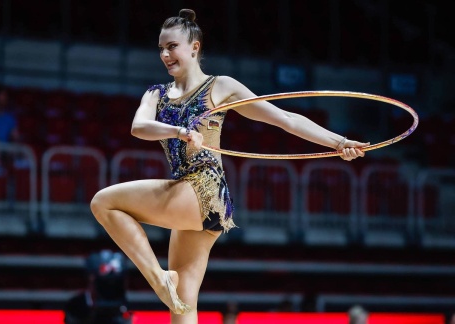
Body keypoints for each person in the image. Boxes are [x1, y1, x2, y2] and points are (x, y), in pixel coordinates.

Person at [90, 9, 368, 322]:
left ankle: (158, 277)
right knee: (182, 305)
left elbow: (286, 119)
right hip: (198, 204)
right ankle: (165, 282)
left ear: (194, 47)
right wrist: (180, 132)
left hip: (203, 191)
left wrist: (338, 142)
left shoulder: (220, 87)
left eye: (172, 46)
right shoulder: (156, 94)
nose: (165, 54)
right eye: (161, 49)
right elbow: (138, 126)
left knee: (103, 202)